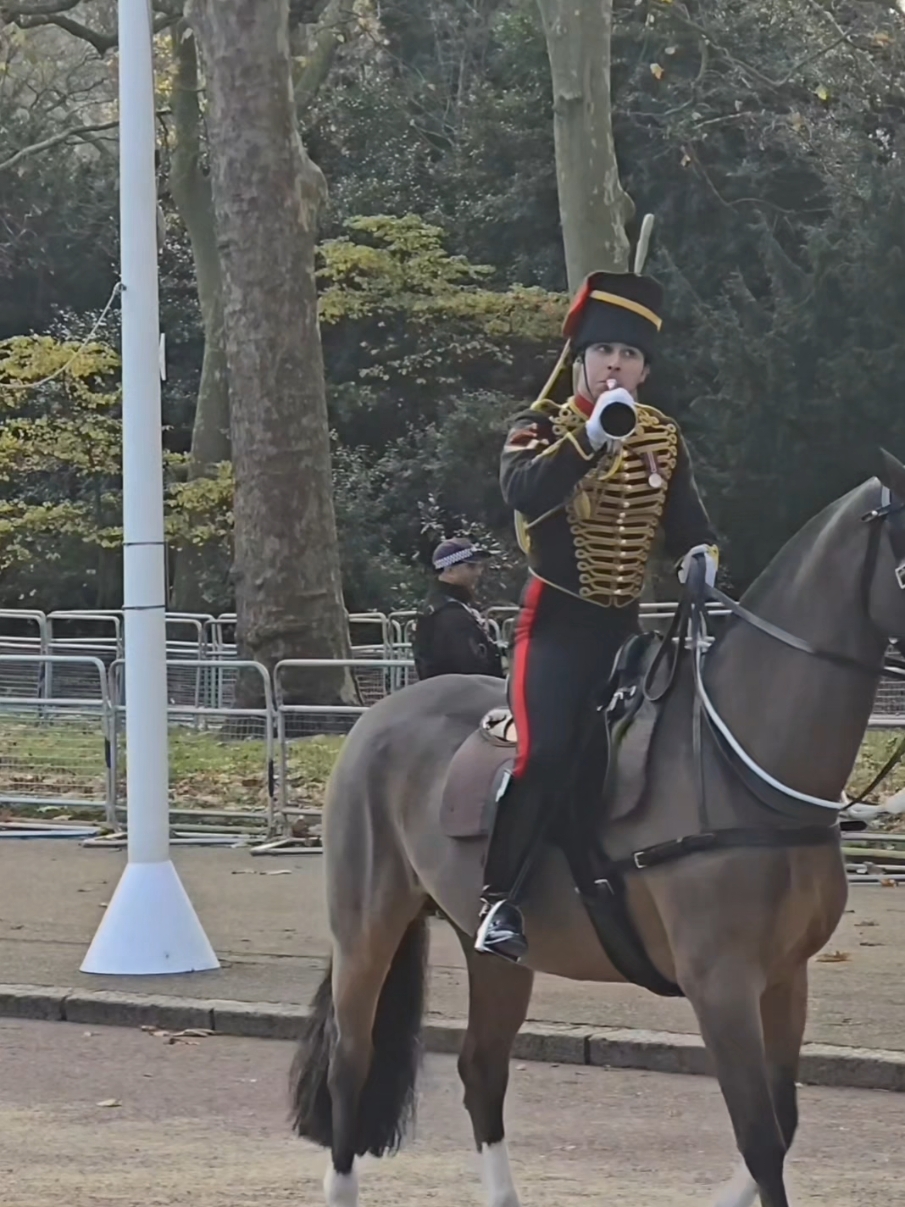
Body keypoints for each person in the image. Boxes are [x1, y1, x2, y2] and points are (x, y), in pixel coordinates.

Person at [475, 270, 719, 961]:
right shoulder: (537, 427)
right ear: (580, 360)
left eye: (630, 354)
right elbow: (523, 492)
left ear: (644, 369)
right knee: (547, 748)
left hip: (625, 631)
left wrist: (700, 552)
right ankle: (500, 899)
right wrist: (589, 434)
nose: (616, 363)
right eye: (604, 350)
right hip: (554, 625)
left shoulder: (664, 439)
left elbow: (687, 520)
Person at [412, 537, 505, 680]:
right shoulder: (451, 615)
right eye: (471, 566)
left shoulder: (438, 607)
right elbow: (473, 672)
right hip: (465, 698)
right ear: (449, 571)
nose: (478, 573)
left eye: (480, 566)